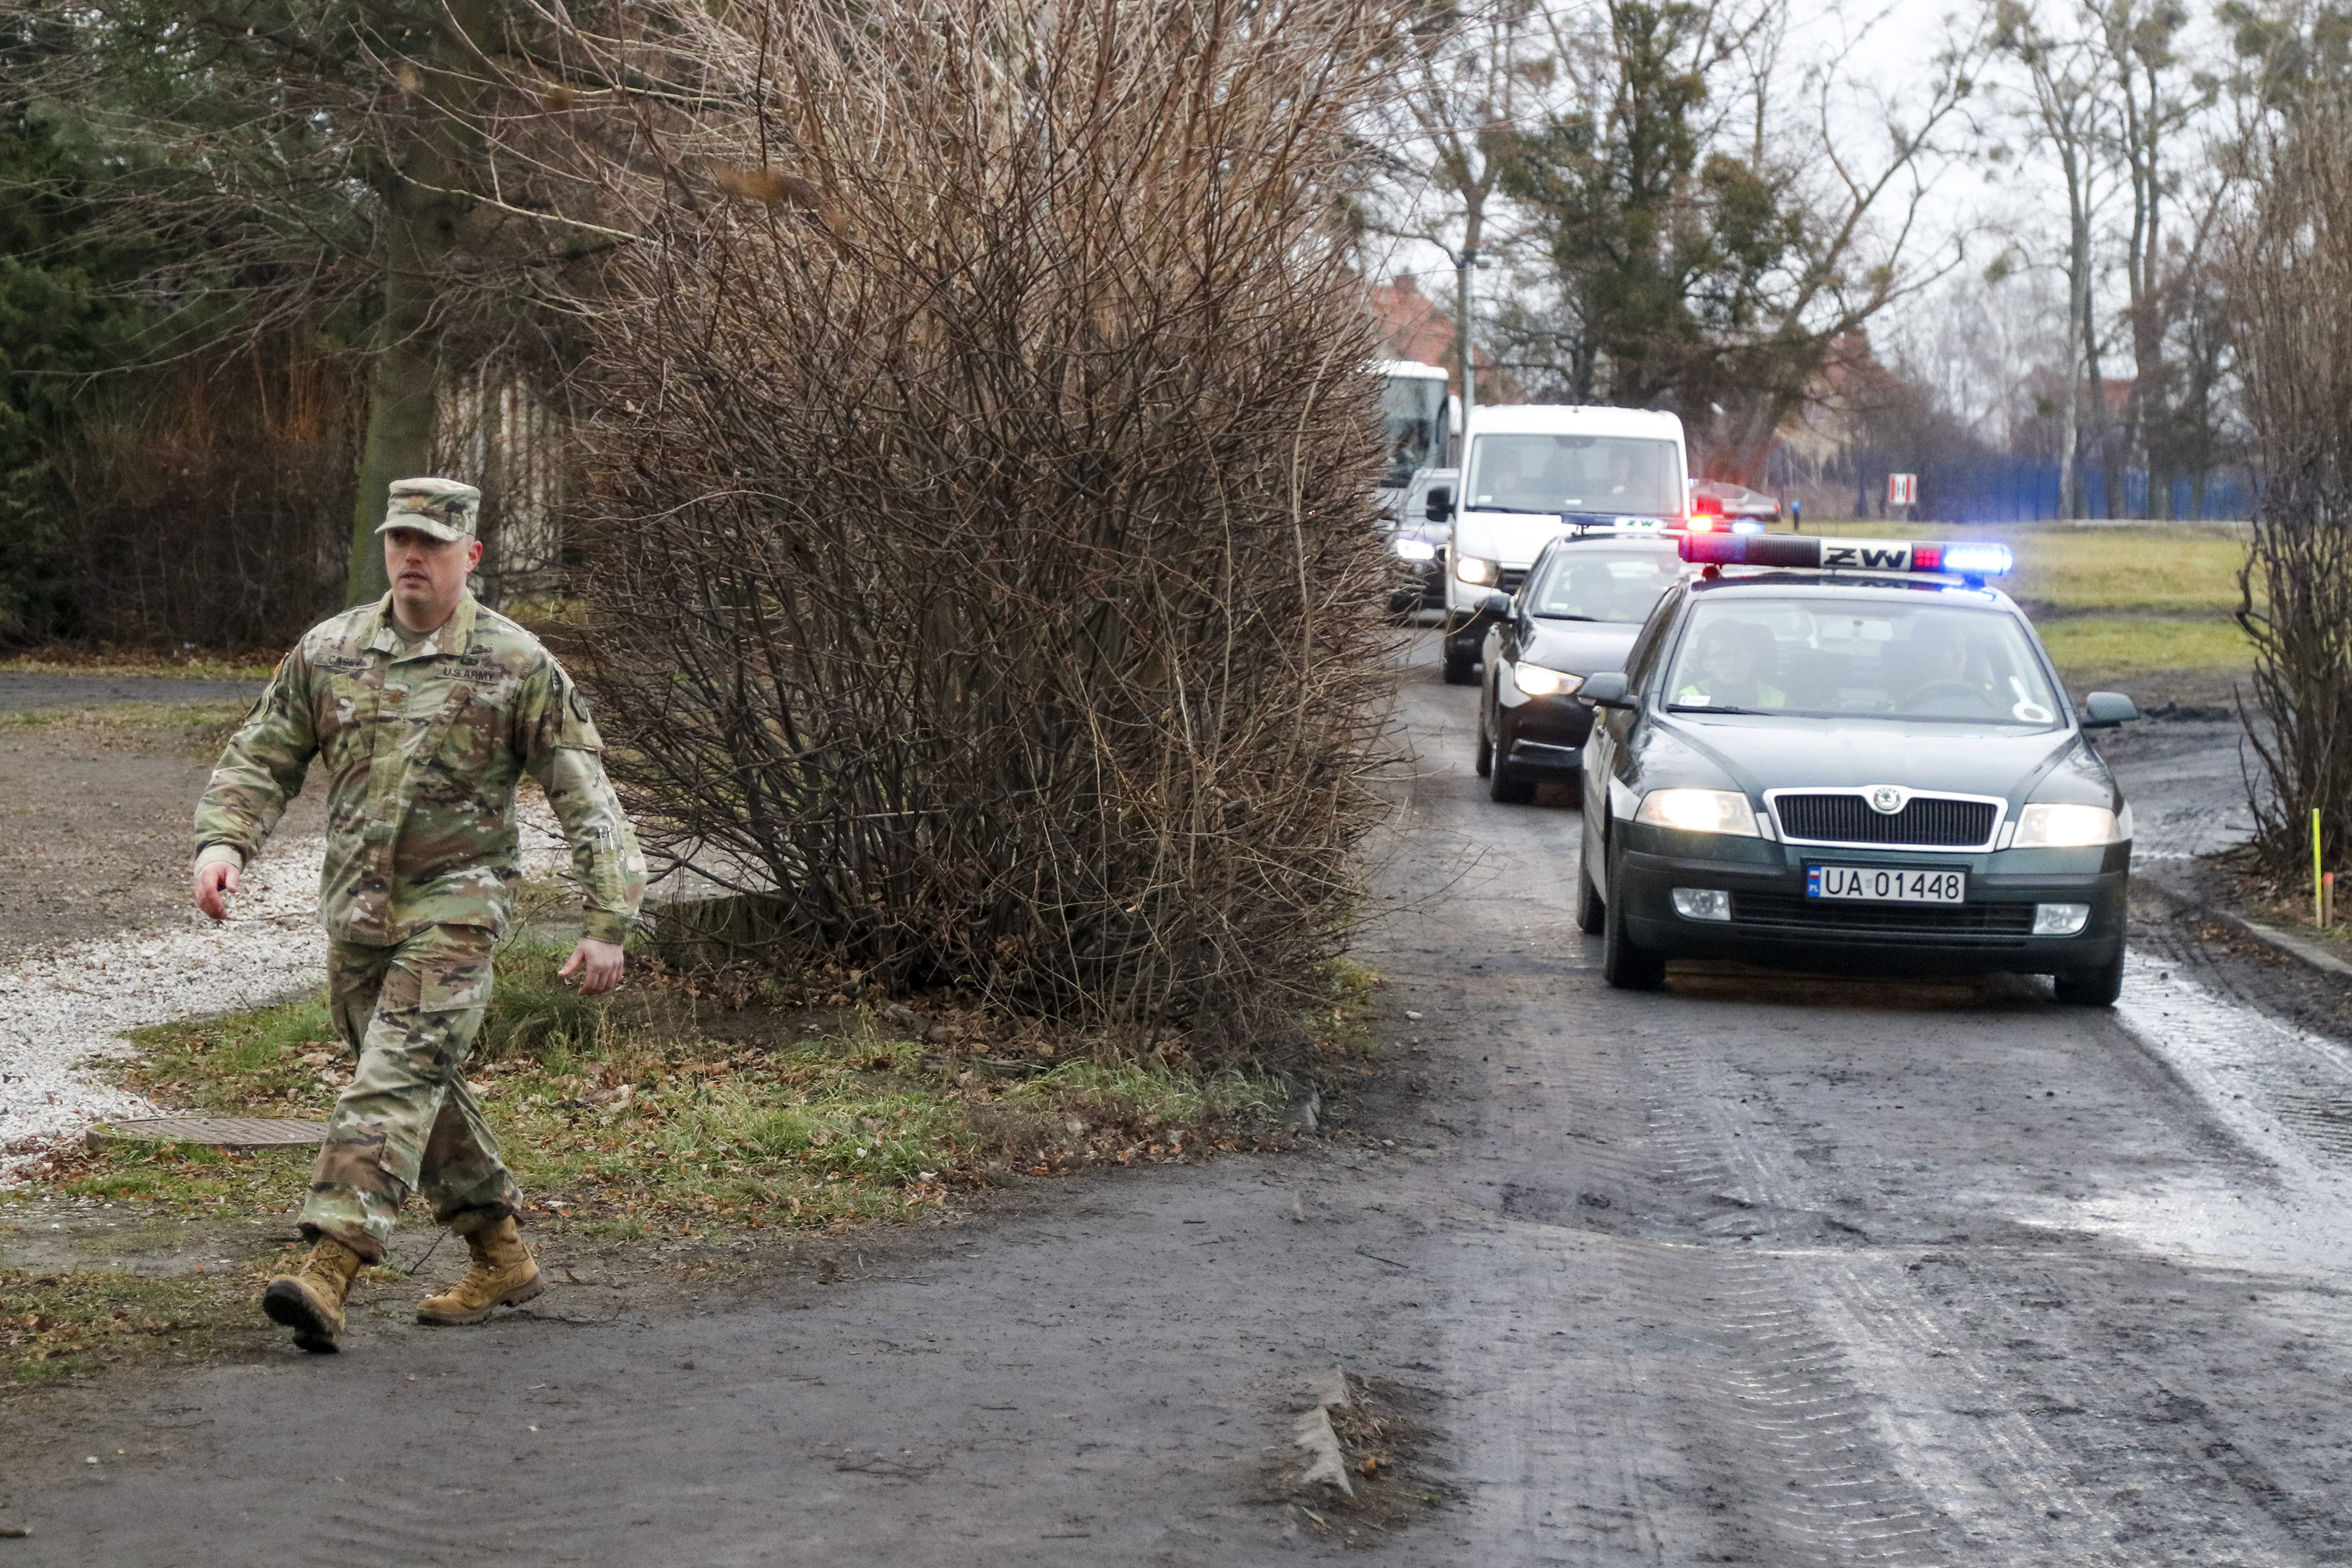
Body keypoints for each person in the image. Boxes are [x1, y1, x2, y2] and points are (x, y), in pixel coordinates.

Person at [191, 477, 647, 1354]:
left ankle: (329, 1265)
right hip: (358, 913)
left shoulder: (515, 663)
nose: (411, 557)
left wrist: (608, 918)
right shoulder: (330, 650)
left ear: (469, 556)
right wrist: (224, 844)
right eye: (400, 540)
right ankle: (500, 1252)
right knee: (413, 1081)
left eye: (431, 544)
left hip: (457, 910)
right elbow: (262, 754)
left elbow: (586, 796)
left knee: (392, 1079)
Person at [1674, 619, 1788, 710]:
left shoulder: (1779, 700)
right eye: (1722, 655)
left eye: (1739, 654)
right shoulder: (1685, 699)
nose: (1732, 662)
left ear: (1751, 658)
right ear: (1706, 664)